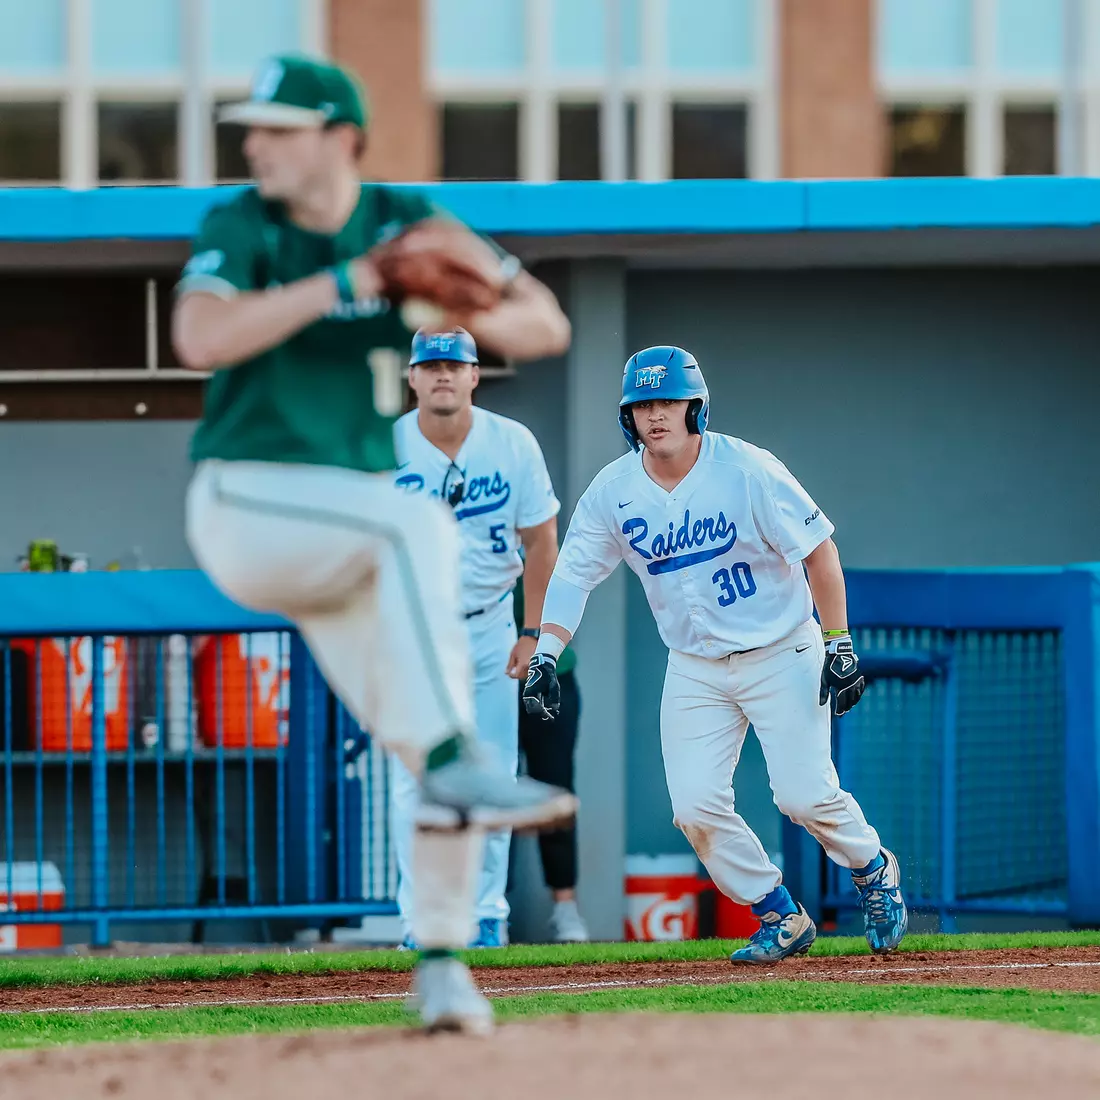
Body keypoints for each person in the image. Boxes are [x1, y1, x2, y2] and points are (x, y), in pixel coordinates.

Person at [173, 53, 576, 1034]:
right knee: (415, 523)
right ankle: (455, 758)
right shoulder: (244, 223)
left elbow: (545, 324)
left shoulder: (407, 217)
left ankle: (441, 963)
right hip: (248, 499)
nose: (255, 144)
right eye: (251, 129)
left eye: (278, 128)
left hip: (346, 537)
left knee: (430, 742)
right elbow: (200, 338)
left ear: (340, 138)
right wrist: (349, 281)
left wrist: (456, 297)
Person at [523, 346, 908, 963]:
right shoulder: (613, 490)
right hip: (695, 667)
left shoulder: (748, 469)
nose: (655, 415)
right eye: (642, 405)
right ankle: (779, 914)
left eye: (668, 401)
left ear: (695, 407)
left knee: (803, 796)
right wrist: (546, 652)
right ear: (628, 416)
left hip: (780, 649)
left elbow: (820, 551)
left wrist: (839, 643)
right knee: (695, 807)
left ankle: (872, 866)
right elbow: (572, 576)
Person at [391, 327, 562, 949]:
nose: (443, 373)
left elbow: (542, 541)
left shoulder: (512, 442)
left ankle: (487, 913)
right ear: (412, 376)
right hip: (413, 629)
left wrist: (533, 630)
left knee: (493, 769)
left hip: (490, 622)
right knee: (413, 779)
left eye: (454, 364)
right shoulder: (385, 445)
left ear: (473, 375)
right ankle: (422, 919)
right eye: (431, 364)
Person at [514, 578, 588, 943]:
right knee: (487, 792)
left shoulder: (543, 546)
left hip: (550, 673)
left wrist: (531, 636)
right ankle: (488, 909)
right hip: (481, 677)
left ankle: (565, 907)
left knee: (555, 790)